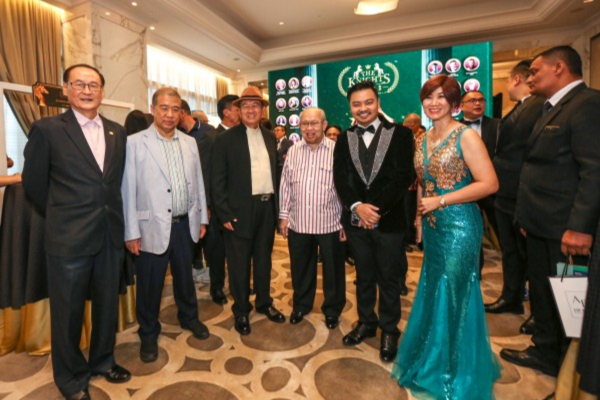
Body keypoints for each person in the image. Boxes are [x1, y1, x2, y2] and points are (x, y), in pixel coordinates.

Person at [22, 63, 131, 400]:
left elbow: (113, 182)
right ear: (66, 89)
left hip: (109, 236)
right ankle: (70, 379)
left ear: (102, 91)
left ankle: (102, 360)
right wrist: (65, 215)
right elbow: (34, 184)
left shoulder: (117, 131)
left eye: (93, 85)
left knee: (106, 307)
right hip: (68, 239)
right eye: (79, 84)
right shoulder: (47, 130)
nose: (87, 91)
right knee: (67, 313)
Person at [392, 75, 500, 399]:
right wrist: (419, 219)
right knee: (432, 289)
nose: (434, 102)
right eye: (429, 97)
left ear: (454, 102)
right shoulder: (423, 137)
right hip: (434, 227)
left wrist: (440, 201)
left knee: (455, 295)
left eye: (441, 96)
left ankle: (454, 369)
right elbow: (423, 181)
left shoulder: (466, 136)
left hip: (460, 227)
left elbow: (489, 183)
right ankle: (431, 357)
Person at [502, 46, 600, 378]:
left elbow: (594, 170)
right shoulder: (549, 108)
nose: (530, 78)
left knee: (568, 297)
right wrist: (526, 217)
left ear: (559, 68)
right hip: (539, 223)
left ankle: (571, 365)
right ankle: (546, 350)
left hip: (565, 229)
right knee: (544, 292)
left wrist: (580, 227)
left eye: (535, 71)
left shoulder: (586, 105)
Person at [121, 87, 210, 363]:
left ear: (181, 112)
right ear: (153, 109)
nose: (170, 114)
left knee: (185, 277)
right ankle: (148, 331)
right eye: (164, 108)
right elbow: (127, 190)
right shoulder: (135, 143)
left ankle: (189, 317)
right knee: (150, 284)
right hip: (150, 226)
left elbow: (198, 182)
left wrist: (202, 217)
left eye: (175, 109)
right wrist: (131, 232)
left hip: (184, 224)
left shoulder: (189, 142)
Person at [333, 80, 414, 362]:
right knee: (363, 276)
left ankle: (389, 329)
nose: (363, 108)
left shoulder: (401, 134)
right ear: (350, 108)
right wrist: (357, 207)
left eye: (368, 102)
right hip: (356, 222)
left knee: (389, 278)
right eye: (356, 104)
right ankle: (366, 321)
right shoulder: (344, 138)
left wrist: (373, 209)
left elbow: (403, 176)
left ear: (378, 103)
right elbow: (340, 177)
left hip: (389, 221)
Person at [211, 86, 286, 336]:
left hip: (267, 208)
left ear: (263, 109)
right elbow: (217, 180)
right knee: (239, 264)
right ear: (238, 110)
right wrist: (224, 213)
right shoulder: (225, 139)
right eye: (245, 106)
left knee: (264, 260)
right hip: (238, 211)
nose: (251, 110)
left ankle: (264, 302)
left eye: (255, 105)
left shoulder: (270, 137)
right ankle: (241, 310)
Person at [484, 60, 545, 325]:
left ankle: (540, 313)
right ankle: (512, 296)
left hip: (521, 193)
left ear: (516, 79)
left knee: (529, 255)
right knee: (510, 250)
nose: (508, 85)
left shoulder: (538, 106)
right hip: (506, 193)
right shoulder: (522, 107)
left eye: (508, 80)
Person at [279, 107, 346, 329]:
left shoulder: (337, 151)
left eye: (314, 123)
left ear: (324, 125)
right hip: (299, 223)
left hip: (330, 223)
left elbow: (345, 189)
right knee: (300, 269)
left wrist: (345, 221)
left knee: (333, 271)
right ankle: (301, 305)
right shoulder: (294, 151)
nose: (309, 128)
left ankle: (332, 309)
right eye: (305, 124)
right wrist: (284, 216)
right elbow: (285, 185)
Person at [202, 94, 241, 305]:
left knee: (237, 250)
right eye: (237, 109)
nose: (241, 112)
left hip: (238, 206)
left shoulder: (243, 135)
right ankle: (216, 287)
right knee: (216, 251)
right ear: (226, 112)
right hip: (216, 208)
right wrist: (207, 205)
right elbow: (204, 174)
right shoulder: (211, 138)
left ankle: (237, 285)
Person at [460, 90, 500, 273]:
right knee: (470, 234)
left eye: (481, 100)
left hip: (492, 189)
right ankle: (474, 271)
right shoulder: (455, 128)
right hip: (465, 190)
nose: (478, 103)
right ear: (461, 106)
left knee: (503, 233)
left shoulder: (498, 126)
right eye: (472, 100)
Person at [179, 99, 215, 273]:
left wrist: (207, 202)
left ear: (183, 112)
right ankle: (196, 263)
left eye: (175, 110)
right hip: (185, 194)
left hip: (205, 191)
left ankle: (212, 269)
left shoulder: (208, 131)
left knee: (208, 236)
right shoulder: (176, 134)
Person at [274, 124, 293, 191]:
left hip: (283, 169)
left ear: (283, 132)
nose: (275, 132)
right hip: (274, 170)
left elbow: (290, 155)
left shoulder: (288, 142)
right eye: (275, 130)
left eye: (278, 130)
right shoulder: (273, 143)